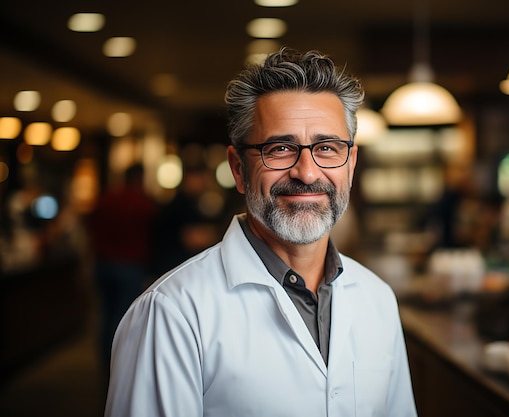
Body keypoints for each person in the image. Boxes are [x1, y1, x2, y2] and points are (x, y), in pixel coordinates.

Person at [105, 48, 418, 417]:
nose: (307, 172)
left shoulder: (377, 299)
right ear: (238, 169)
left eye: (327, 148)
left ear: (350, 165)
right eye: (281, 148)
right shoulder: (172, 313)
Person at [89, 163, 157, 379]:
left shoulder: (106, 199)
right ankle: (118, 366)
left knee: (106, 316)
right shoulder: (143, 203)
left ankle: (104, 364)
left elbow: (91, 227)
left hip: (103, 265)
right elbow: (152, 235)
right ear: (140, 178)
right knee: (123, 318)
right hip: (130, 267)